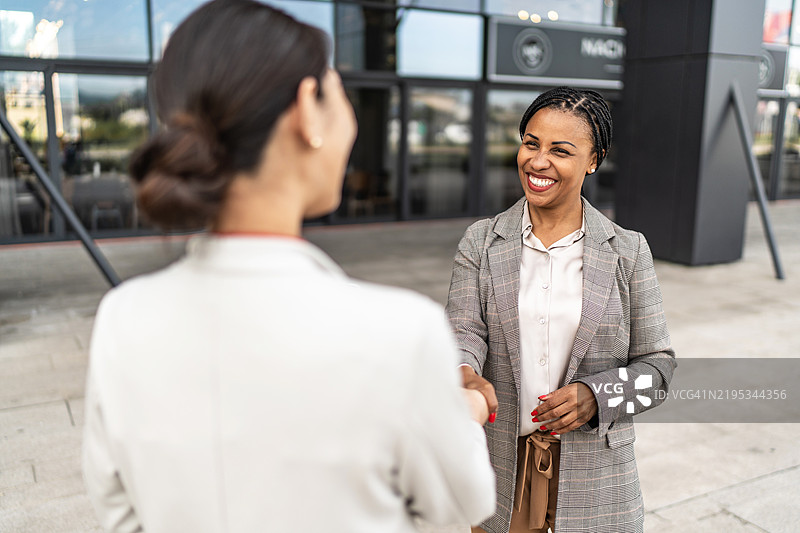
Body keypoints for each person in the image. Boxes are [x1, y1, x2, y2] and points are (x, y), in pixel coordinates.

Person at [81, 2, 496, 532]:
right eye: (337, 89)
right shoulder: (400, 333)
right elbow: (461, 505)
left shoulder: (123, 318)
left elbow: (119, 512)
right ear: (307, 108)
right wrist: (463, 413)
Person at [446, 87, 677, 533]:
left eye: (560, 150)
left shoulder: (628, 252)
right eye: (531, 143)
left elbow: (659, 369)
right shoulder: (481, 241)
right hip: (501, 471)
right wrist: (464, 372)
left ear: (594, 160)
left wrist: (598, 397)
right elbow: (464, 331)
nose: (537, 161)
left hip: (597, 482)